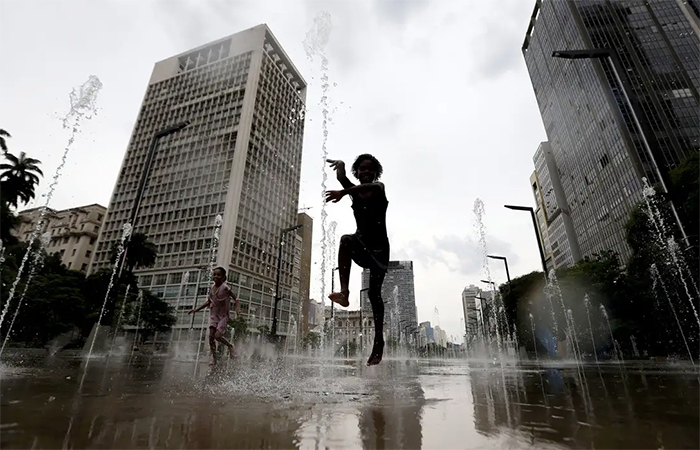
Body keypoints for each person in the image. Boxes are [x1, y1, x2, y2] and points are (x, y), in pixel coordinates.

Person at [325, 154, 389, 366]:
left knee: (373, 293)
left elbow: (353, 189)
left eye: (370, 169)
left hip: (379, 249)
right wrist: (341, 167)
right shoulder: (356, 192)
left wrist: (344, 192)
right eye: (362, 169)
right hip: (361, 243)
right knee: (345, 240)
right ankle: (345, 293)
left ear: (376, 172)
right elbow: (344, 180)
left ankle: (378, 341)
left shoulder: (379, 187)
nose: (366, 173)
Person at [188, 267, 241, 365]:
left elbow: (235, 298)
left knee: (217, 336)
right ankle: (214, 359)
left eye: (218, 275)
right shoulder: (211, 288)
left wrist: (237, 308)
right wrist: (196, 309)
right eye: (214, 274)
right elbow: (209, 301)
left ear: (223, 277)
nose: (216, 276)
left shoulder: (225, 288)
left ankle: (230, 346)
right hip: (214, 315)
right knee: (211, 338)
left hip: (223, 316)